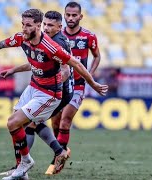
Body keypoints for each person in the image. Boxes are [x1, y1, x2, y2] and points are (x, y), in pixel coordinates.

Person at [0, 9, 108, 180]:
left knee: (15, 123)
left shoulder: (52, 45)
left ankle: (32, 161)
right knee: (19, 124)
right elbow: (0, 45)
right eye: (22, 24)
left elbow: (74, 64)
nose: (24, 28)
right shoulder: (22, 38)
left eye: (28, 25)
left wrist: (92, 83)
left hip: (49, 94)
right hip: (34, 86)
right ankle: (23, 169)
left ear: (38, 26)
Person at [0, 10, 74, 178]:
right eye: (45, 24)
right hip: (47, 88)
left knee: (27, 123)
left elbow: (66, 70)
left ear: (59, 27)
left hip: (58, 89)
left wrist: (50, 88)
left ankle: (25, 165)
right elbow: (36, 63)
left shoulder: (56, 42)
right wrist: (14, 70)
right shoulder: (42, 39)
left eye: (50, 25)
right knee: (28, 123)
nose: (46, 28)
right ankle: (50, 154)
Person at [45, 1, 102, 174]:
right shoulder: (56, 36)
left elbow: (97, 56)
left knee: (65, 120)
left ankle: (57, 161)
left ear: (80, 16)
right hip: (59, 84)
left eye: (74, 15)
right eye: (68, 15)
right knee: (55, 122)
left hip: (77, 84)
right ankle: (62, 149)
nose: (70, 18)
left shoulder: (88, 37)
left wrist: (88, 76)